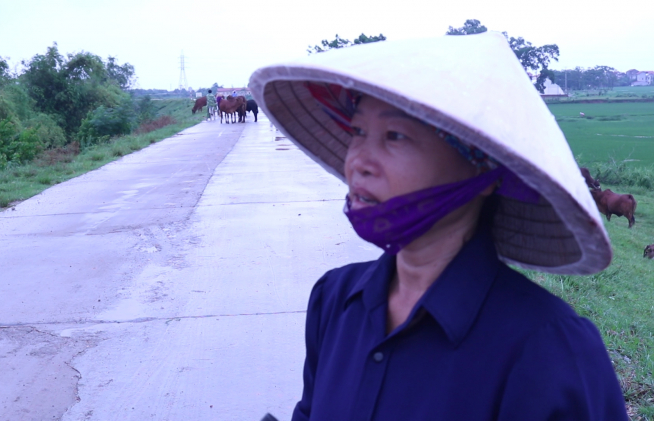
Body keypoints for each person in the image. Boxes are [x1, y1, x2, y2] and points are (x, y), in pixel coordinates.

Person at [249, 32, 627, 420]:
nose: (358, 162)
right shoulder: (334, 302)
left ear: (484, 167)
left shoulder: (549, 349)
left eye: (394, 136)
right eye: (358, 132)